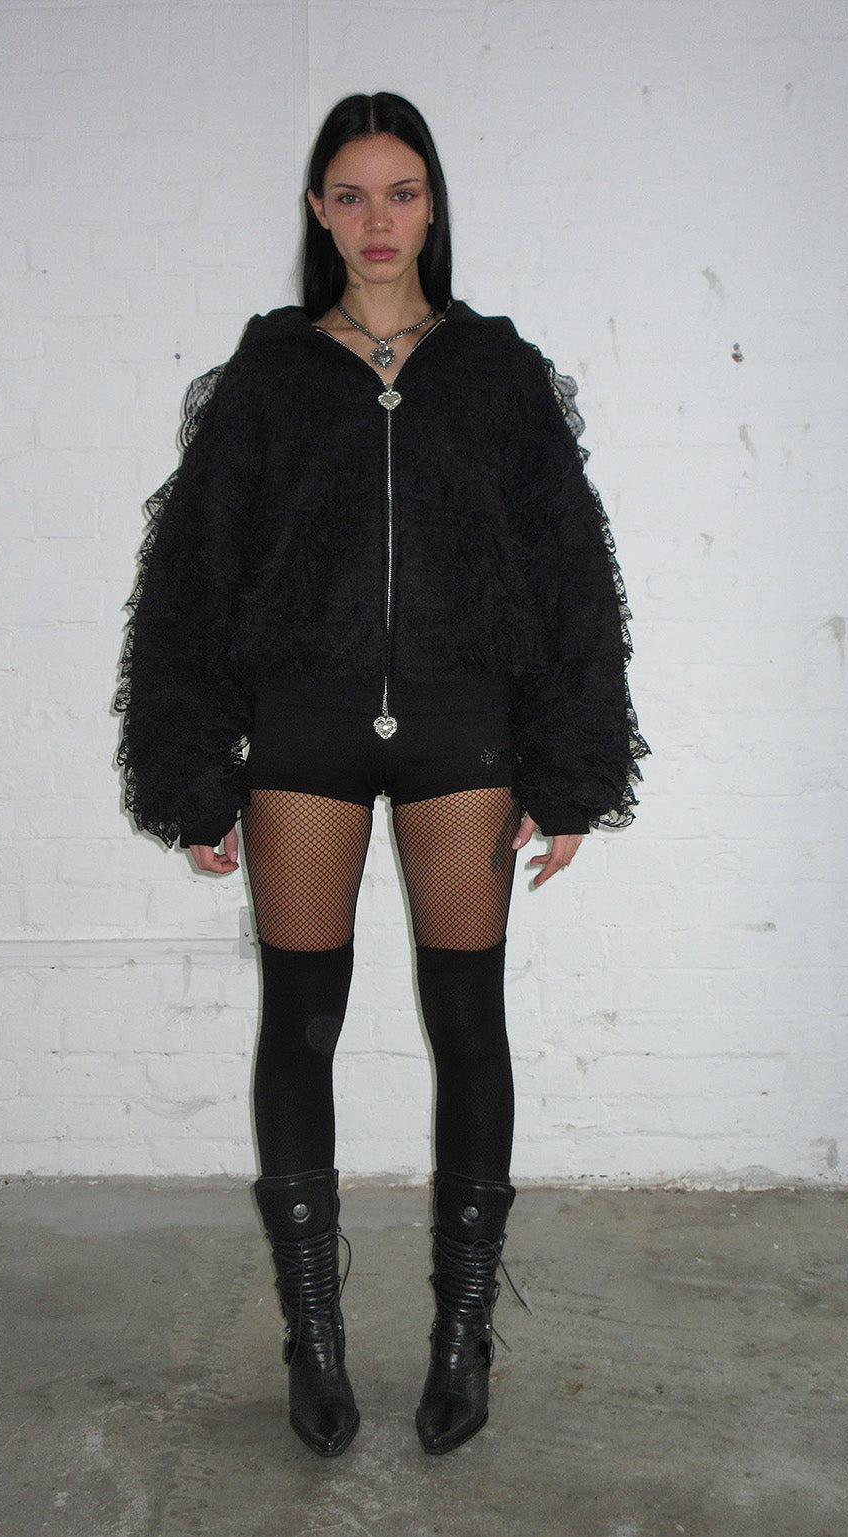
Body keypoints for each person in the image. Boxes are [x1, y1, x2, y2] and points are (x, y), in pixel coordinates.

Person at [116, 92, 647, 1458]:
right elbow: (192, 577)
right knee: (301, 1023)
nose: (376, 221)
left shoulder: (497, 373)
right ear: (317, 209)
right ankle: (316, 1338)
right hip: (303, 733)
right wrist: (191, 772)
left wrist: (571, 766)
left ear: (433, 204)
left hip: (465, 733)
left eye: (400, 192)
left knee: (468, 1024)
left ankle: (463, 1333)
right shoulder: (272, 376)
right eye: (349, 195)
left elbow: (571, 571)